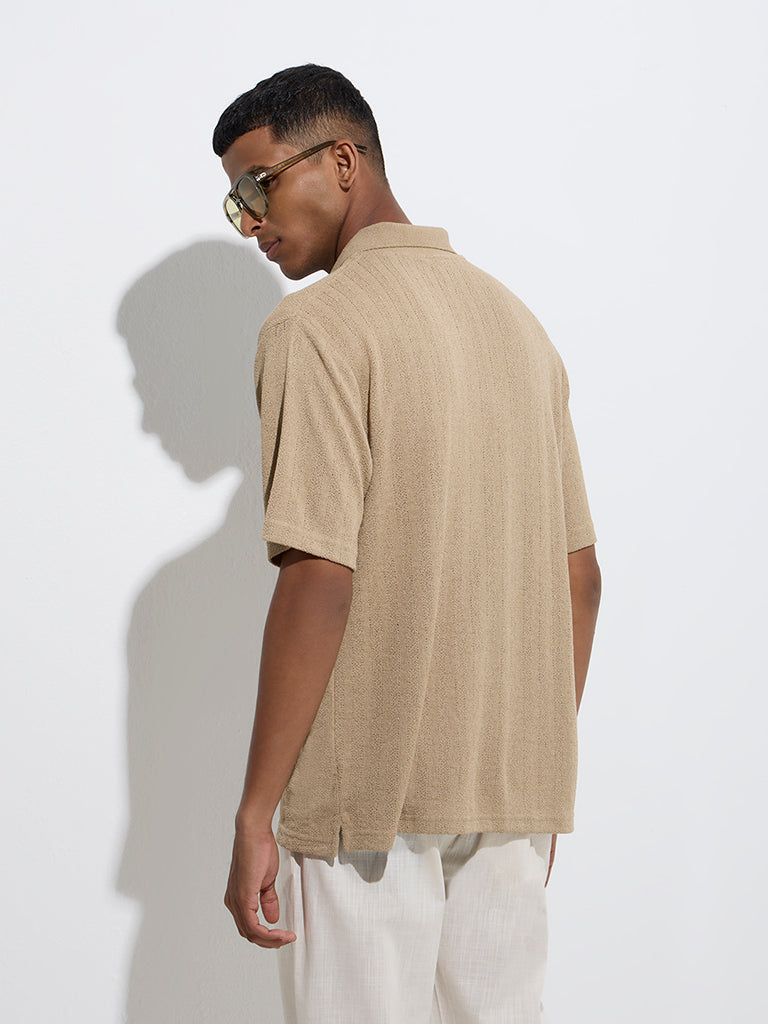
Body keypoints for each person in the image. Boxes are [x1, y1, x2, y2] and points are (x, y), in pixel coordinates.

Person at [212, 64, 601, 1024]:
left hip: (363, 800)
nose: (250, 220)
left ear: (342, 162)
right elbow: (580, 579)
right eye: (237, 202)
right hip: (509, 793)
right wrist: (537, 766)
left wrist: (257, 811)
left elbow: (321, 576)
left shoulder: (317, 328)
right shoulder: (518, 326)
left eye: (258, 185)